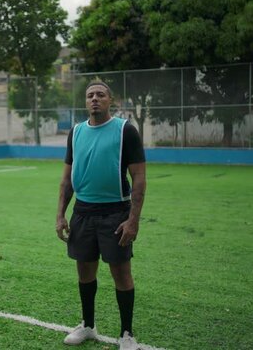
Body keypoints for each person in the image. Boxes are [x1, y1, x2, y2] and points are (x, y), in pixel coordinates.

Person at [56, 81, 146, 350]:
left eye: (100, 94)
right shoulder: (76, 132)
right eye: (90, 95)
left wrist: (133, 219)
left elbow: (139, 178)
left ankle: (127, 335)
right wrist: (60, 214)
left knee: (121, 273)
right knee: (85, 270)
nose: (95, 99)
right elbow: (66, 179)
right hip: (82, 212)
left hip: (115, 212)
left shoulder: (125, 131)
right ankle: (88, 325)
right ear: (86, 101)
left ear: (111, 100)